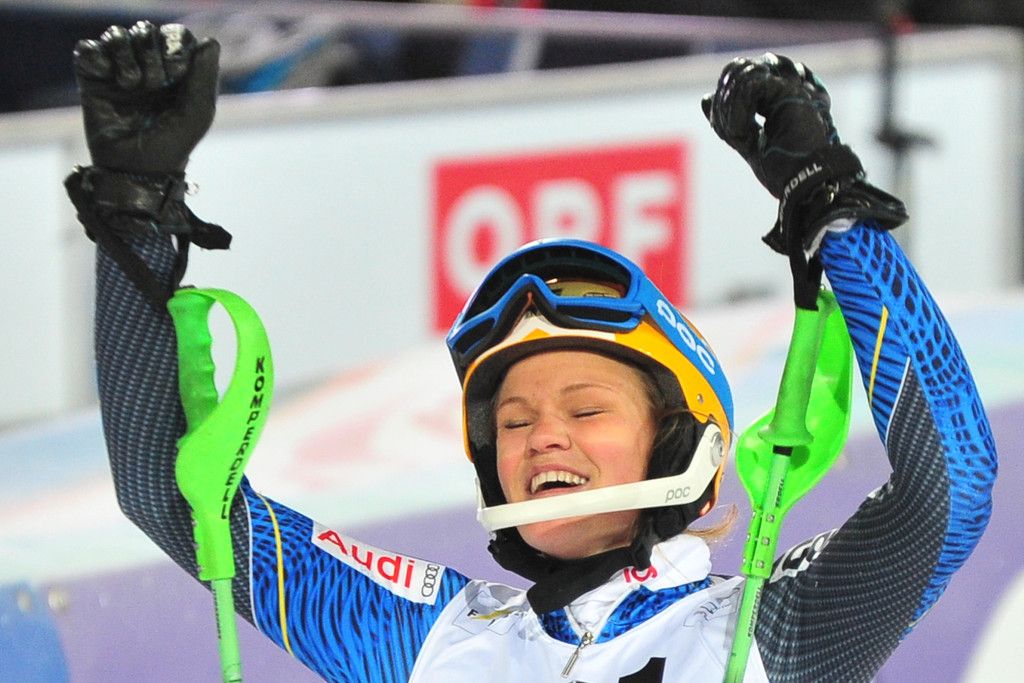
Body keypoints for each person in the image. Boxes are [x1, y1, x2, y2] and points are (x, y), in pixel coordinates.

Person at [66, 21, 996, 683]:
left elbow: (952, 486)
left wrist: (828, 205)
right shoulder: (432, 638)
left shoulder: (765, 633)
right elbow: (170, 494)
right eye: (512, 421)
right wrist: (136, 206)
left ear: (681, 443)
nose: (542, 437)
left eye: (586, 408)